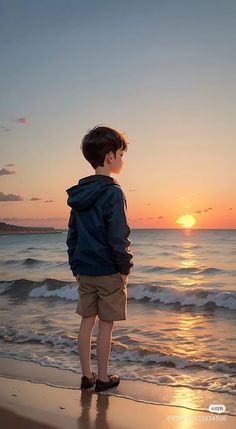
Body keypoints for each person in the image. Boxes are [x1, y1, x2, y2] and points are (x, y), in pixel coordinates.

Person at [66, 125, 133, 392]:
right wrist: (124, 266)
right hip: (107, 270)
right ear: (109, 157)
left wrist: (75, 264)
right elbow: (118, 235)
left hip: (84, 269)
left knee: (86, 322)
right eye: (120, 154)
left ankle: (86, 376)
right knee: (105, 326)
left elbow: (72, 235)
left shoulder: (79, 195)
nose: (121, 160)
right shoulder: (113, 192)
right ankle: (103, 379)